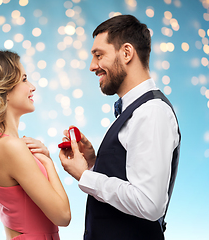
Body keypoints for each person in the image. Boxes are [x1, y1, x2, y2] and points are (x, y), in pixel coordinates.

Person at [59, 15, 181, 240]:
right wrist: (95, 163)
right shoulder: (137, 110)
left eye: (98, 55)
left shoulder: (151, 112)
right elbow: (128, 180)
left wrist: (86, 176)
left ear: (126, 53)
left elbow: (150, 203)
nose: (92, 66)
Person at [0, 50, 71, 240]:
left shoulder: (2, 145)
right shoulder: (10, 147)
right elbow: (63, 215)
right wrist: (48, 163)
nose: (32, 87)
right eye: (24, 79)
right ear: (3, 89)